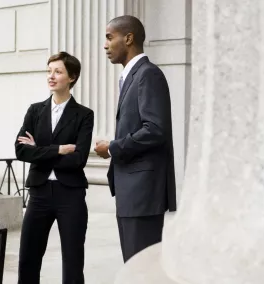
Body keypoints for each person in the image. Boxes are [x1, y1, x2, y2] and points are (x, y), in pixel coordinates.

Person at [94, 15, 177, 262]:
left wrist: (112, 147)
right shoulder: (133, 76)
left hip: (143, 194)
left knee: (140, 268)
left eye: (110, 37)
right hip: (132, 192)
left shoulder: (148, 74)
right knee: (134, 266)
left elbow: (155, 130)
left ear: (128, 38)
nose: (105, 45)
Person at [15, 51, 94, 284]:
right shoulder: (35, 110)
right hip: (39, 193)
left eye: (58, 71)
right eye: (49, 71)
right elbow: (21, 151)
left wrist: (39, 150)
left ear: (72, 77)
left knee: (72, 260)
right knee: (28, 256)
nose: (51, 76)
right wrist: (57, 150)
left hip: (70, 194)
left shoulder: (84, 115)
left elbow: (78, 159)